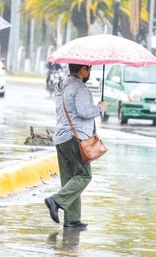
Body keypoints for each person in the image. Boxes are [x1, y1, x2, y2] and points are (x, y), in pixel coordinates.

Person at [44, 63, 107, 229]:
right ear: (82, 70)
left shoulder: (62, 85)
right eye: (89, 70)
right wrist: (100, 108)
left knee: (69, 179)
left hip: (61, 137)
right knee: (84, 176)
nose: (89, 73)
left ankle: (72, 219)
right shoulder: (81, 88)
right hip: (76, 138)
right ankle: (55, 200)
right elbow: (84, 111)